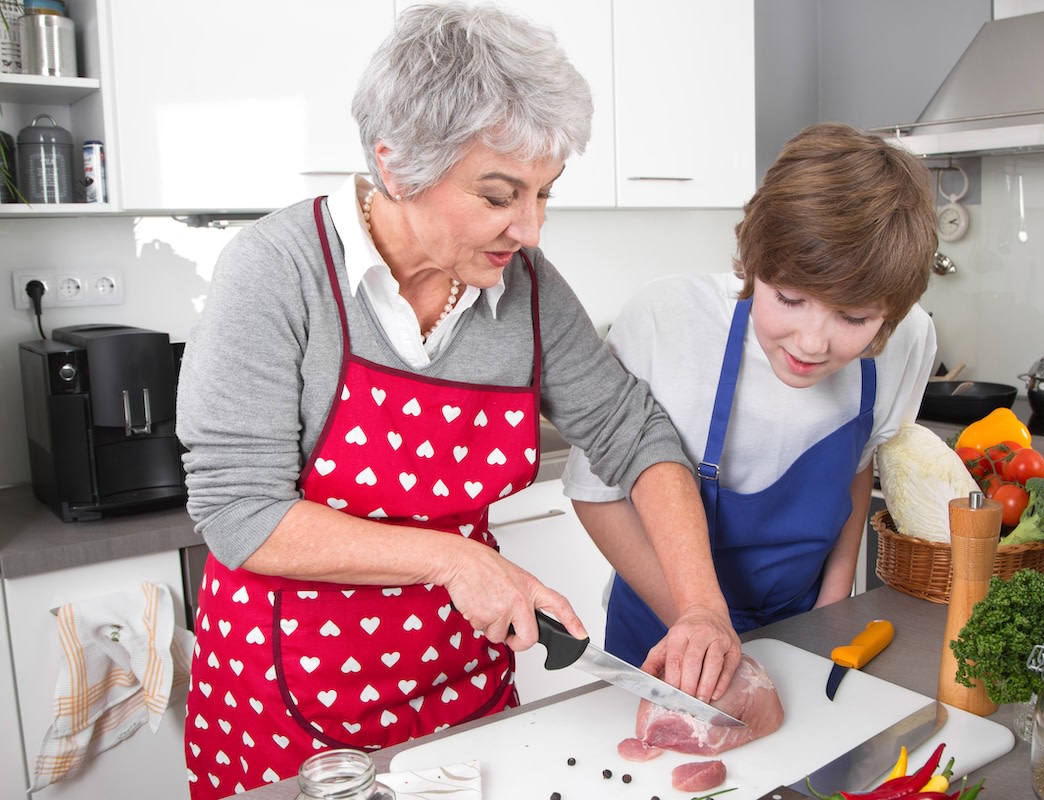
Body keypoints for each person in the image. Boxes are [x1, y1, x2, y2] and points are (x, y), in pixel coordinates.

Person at [175, 5, 739, 797]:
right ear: (396, 163)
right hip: (288, 705)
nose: (532, 229)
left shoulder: (528, 292)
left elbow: (634, 431)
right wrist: (453, 557)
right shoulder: (275, 273)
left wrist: (702, 609)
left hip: (463, 692)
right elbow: (239, 512)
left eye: (546, 193)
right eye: (501, 194)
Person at [562, 122, 938, 666]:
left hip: (803, 626)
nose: (811, 343)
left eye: (853, 317)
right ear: (753, 261)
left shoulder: (911, 339)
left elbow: (858, 466)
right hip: (661, 630)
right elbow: (596, 499)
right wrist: (701, 629)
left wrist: (832, 608)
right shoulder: (667, 321)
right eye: (788, 298)